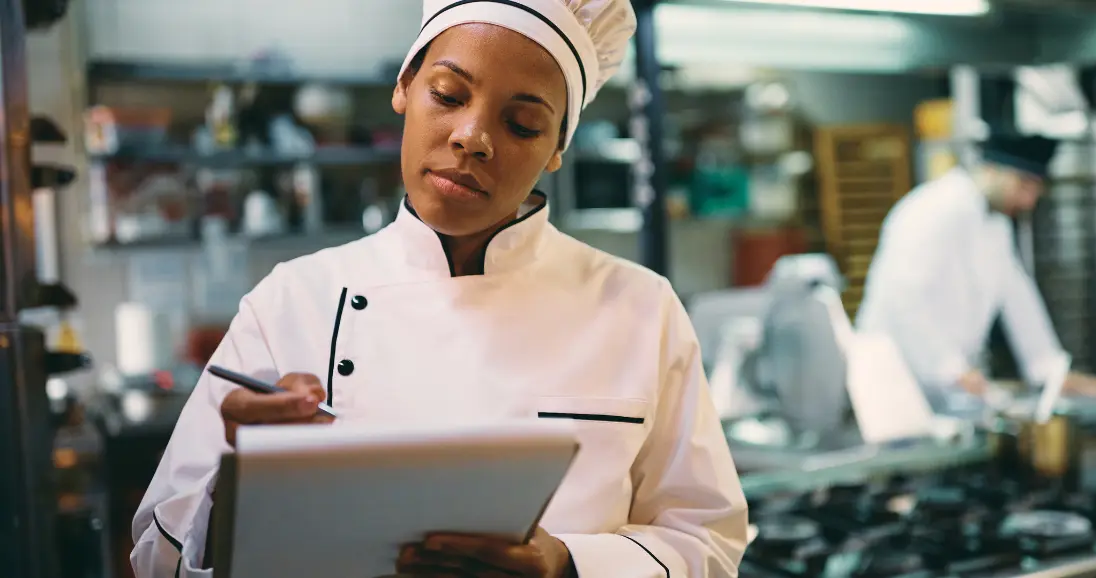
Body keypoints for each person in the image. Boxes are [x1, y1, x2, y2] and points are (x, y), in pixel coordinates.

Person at [128, 0, 749, 576]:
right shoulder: (290, 301)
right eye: (449, 95)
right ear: (404, 87)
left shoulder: (641, 307)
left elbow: (709, 542)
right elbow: (157, 556)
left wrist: (568, 564)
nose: (472, 137)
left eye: (522, 124)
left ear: (557, 147)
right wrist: (241, 490)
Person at [855, 135, 1096, 409]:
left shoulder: (997, 227)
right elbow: (904, 299)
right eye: (1023, 185)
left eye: (1036, 190)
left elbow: (1018, 298)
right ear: (991, 170)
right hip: (893, 380)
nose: (1028, 201)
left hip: (947, 389)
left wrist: (1050, 369)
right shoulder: (930, 210)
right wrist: (951, 368)